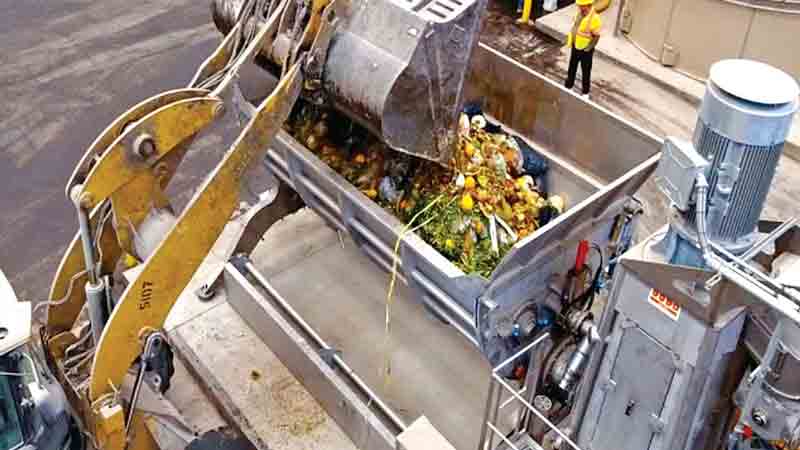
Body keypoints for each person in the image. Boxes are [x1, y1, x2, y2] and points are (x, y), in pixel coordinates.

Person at [564, 0, 601, 97]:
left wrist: (588, 48)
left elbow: (596, 36)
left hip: (585, 49)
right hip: (576, 46)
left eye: (581, 5)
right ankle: (568, 86)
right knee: (572, 67)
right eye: (579, 5)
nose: (579, 7)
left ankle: (585, 93)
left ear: (588, 5)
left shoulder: (595, 18)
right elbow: (575, 27)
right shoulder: (580, 14)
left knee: (586, 71)